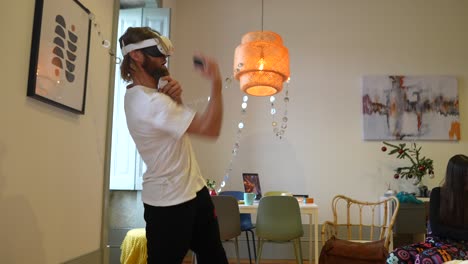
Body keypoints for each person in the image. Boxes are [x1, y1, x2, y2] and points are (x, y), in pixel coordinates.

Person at [118, 27, 228, 264]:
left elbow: (172, 131)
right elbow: (211, 129)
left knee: (215, 257)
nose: (164, 59)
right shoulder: (149, 102)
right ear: (136, 56)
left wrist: (174, 99)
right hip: (169, 202)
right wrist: (216, 83)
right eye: (157, 53)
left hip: (194, 189)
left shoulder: (145, 95)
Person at [387, 154, 468, 263]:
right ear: (456, 176)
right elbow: (436, 229)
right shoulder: (437, 193)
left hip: (461, 247)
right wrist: (458, 232)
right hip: (433, 243)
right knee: (395, 256)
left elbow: (441, 230)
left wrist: (448, 231)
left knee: (425, 258)